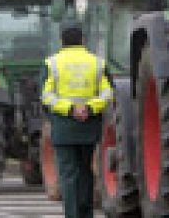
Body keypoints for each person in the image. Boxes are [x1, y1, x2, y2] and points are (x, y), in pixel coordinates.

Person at [41, 22, 113, 218]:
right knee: (85, 172)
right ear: (83, 41)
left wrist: (70, 109)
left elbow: (47, 97)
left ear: (61, 43)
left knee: (68, 175)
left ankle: (71, 215)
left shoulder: (52, 63)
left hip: (64, 128)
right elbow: (108, 93)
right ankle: (86, 215)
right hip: (89, 127)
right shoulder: (97, 62)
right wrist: (89, 108)